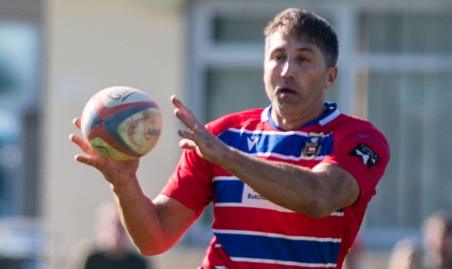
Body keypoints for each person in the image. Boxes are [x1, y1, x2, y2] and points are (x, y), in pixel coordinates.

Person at [70, 8, 390, 268]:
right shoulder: (223, 135)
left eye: (303, 59)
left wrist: (227, 157)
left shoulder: (359, 138)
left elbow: (320, 197)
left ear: (330, 76)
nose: (287, 70)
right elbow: (155, 238)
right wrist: (124, 184)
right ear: (264, 68)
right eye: (277, 57)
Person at [73, 203, 149, 269]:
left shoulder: (138, 263)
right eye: (112, 226)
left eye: (122, 228)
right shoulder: (91, 259)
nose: (116, 232)